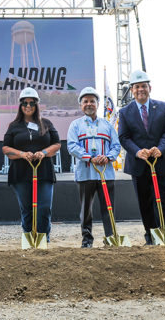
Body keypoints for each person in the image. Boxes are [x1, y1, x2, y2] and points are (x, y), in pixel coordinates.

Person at [117, 70, 165, 245]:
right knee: (145, 202)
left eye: (144, 86)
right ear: (132, 90)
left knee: (164, 200)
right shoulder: (125, 112)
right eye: (137, 87)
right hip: (139, 165)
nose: (141, 89)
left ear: (150, 88)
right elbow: (124, 137)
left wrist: (161, 148)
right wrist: (137, 151)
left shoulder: (163, 107)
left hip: (161, 162)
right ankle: (150, 236)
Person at [3, 88, 61, 242]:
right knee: (27, 209)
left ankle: (43, 239)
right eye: (24, 103)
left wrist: (44, 152)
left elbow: (57, 144)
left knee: (43, 208)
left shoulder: (46, 123)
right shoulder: (14, 125)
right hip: (21, 173)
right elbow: (5, 148)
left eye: (31, 103)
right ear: (20, 105)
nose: (28, 106)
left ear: (37, 105)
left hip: (44, 172)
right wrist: (22, 154)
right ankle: (28, 238)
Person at [67, 87, 121, 248]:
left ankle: (111, 238)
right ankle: (87, 240)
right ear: (80, 105)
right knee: (86, 209)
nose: (89, 104)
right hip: (85, 174)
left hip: (106, 174)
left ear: (98, 104)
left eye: (92, 101)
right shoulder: (75, 125)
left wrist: (108, 157)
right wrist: (90, 158)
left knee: (108, 207)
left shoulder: (107, 125)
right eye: (85, 101)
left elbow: (116, 146)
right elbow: (72, 146)